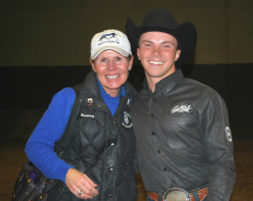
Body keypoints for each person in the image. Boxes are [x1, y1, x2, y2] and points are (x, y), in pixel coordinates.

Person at [126, 9, 236, 201]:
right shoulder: (134, 104)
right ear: (138, 52)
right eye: (148, 44)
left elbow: (222, 162)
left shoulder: (205, 97)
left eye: (166, 46)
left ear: (177, 54)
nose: (156, 53)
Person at [25, 29, 137, 201]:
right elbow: (35, 146)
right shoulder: (69, 98)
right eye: (103, 60)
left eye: (118, 58)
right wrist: (66, 173)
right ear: (93, 65)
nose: (111, 67)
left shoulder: (137, 103)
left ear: (130, 62)